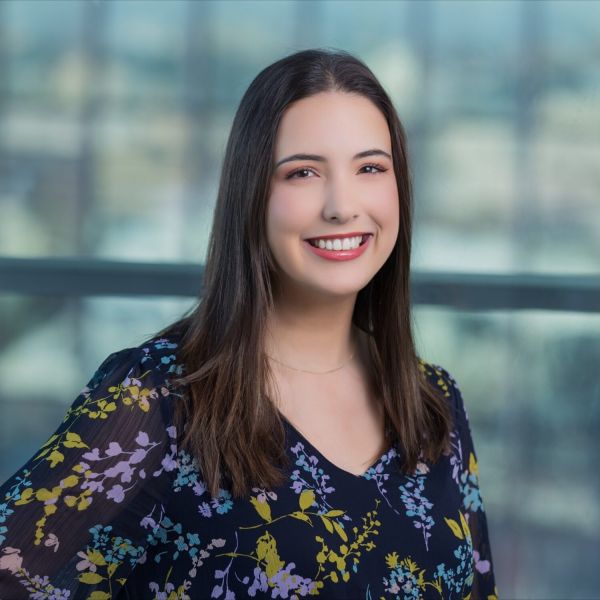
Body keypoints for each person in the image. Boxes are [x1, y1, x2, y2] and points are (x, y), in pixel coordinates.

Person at [0, 48, 497, 600]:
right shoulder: (158, 400)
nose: (341, 205)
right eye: (303, 172)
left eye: (370, 168)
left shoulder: (435, 406)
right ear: (251, 194)